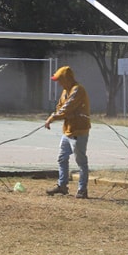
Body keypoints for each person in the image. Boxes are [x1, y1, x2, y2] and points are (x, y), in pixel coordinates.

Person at [44, 66, 91, 199]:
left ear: (66, 79)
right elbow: (60, 107)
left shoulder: (78, 90)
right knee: (62, 158)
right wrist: (62, 115)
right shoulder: (65, 91)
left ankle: (82, 190)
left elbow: (67, 108)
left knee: (81, 162)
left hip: (79, 131)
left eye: (59, 80)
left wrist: (53, 117)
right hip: (67, 131)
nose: (58, 83)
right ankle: (62, 185)